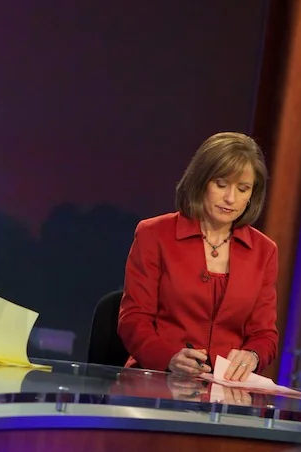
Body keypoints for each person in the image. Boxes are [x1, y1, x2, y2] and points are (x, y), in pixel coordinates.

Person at [117, 132, 278, 381]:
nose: (231, 198)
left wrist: (253, 356)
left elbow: (265, 334)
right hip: (156, 383)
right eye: (221, 184)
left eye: (243, 188)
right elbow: (133, 320)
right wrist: (168, 357)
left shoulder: (264, 251)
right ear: (201, 181)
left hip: (225, 395)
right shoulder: (154, 234)